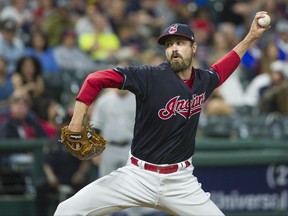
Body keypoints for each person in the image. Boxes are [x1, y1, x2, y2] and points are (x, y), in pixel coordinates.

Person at [54, 11, 270, 216]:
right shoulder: (148, 76)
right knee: (67, 210)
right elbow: (95, 79)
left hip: (181, 183)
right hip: (137, 176)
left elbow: (225, 66)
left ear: (194, 47)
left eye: (180, 43)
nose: (174, 48)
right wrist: (76, 123)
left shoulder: (205, 80)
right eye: (169, 44)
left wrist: (251, 36)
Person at [35, 113, 91, 216]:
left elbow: (86, 161)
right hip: (57, 178)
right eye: (60, 124)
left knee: (88, 189)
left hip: (74, 178)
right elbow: (46, 163)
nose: (62, 127)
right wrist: (51, 177)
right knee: (40, 188)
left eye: (64, 124)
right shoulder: (52, 142)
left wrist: (80, 174)